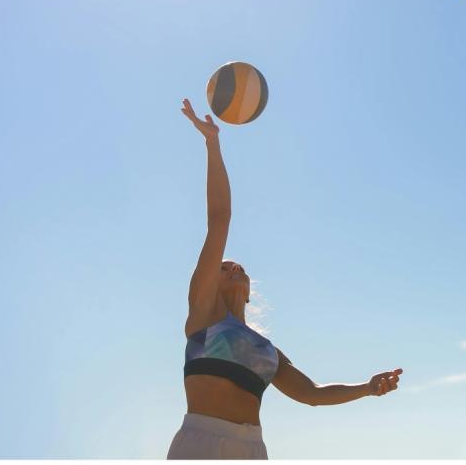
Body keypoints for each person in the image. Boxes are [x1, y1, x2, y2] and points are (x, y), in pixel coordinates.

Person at [167, 98, 403, 459]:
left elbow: (313, 394)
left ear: (249, 294)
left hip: (252, 449)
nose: (233, 267)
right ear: (207, 283)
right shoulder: (203, 316)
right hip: (200, 443)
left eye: (238, 265)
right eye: (223, 266)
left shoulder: (267, 351)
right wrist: (212, 143)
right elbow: (220, 217)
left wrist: (368, 388)